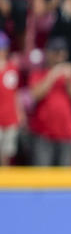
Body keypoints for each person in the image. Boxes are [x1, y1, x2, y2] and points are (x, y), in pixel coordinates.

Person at [28, 37, 71, 166]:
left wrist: (69, 81)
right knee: (42, 179)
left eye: (61, 52)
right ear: (48, 53)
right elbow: (36, 95)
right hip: (43, 134)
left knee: (65, 181)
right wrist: (52, 75)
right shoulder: (39, 74)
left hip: (66, 133)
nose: (59, 56)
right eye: (56, 52)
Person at [0, 32, 24, 166]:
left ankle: (4, 185)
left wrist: (20, 113)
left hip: (10, 119)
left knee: (7, 155)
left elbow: (16, 93)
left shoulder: (12, 68)